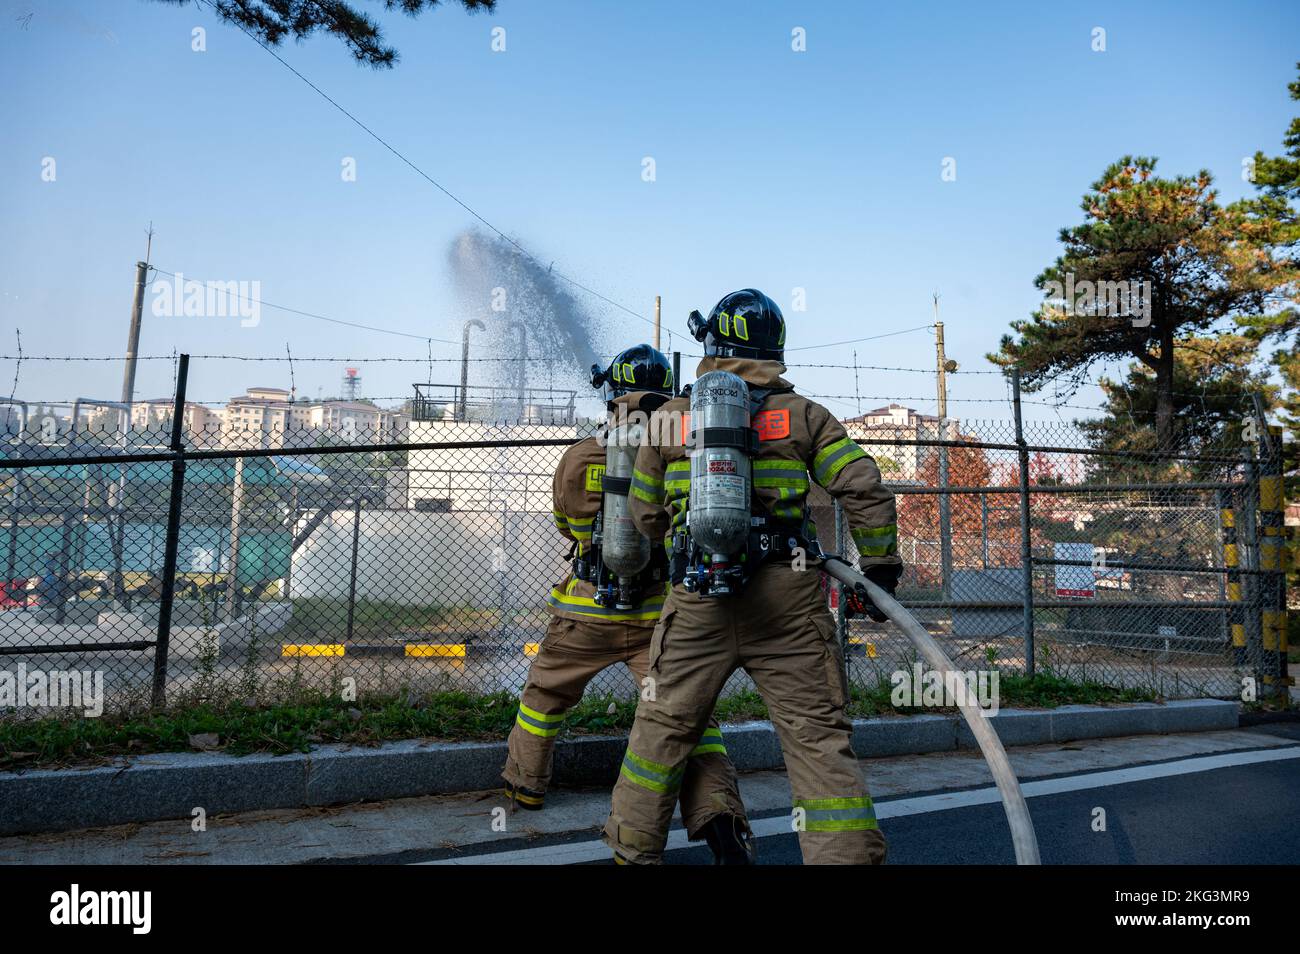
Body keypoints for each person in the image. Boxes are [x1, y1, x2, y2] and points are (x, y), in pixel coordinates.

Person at [602, 290, 903, 865]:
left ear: (713, 344)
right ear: (774, 349)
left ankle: (631, 853)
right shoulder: (805, 416)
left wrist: (682, 542)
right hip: (787, 598)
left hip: (697, 600)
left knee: (660, 732)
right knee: (817, 740)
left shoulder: (669, 419)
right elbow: (863, 488)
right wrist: (880, 569)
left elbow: (642, 516)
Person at [501, 343, 753, 863]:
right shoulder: (680, 443)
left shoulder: (582, 454)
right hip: (660, 616)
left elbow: (567, 523)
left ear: (613, 390)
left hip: (586, 611)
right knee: (687, 720)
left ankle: (526, 788)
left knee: (544, 697)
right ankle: (720, 821)